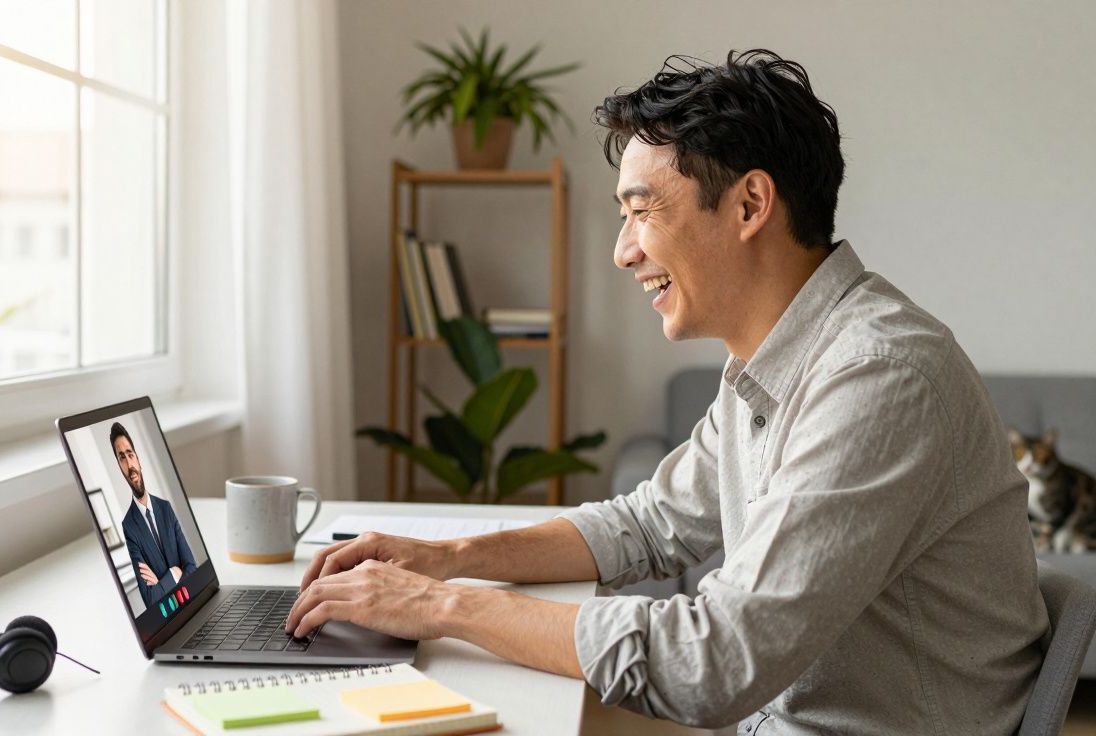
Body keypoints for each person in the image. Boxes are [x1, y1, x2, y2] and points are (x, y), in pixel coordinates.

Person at [285, 50, 1048, 733]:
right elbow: (649, 526)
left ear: (751, 205)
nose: (623, 252)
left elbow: (716, 662)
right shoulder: (773, 362)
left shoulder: (878, 376)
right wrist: (447, 558)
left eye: (642, 210)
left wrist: (443, 608)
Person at [112, 422, 197, 608]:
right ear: (120, 468)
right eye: (122, 458)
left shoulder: (165, 508)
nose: (129, 464)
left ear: (139, 460)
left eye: (130, 454)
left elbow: (192, 567)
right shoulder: (129, 527)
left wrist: (161, 583)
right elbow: (150, 599)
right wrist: (175, 574)